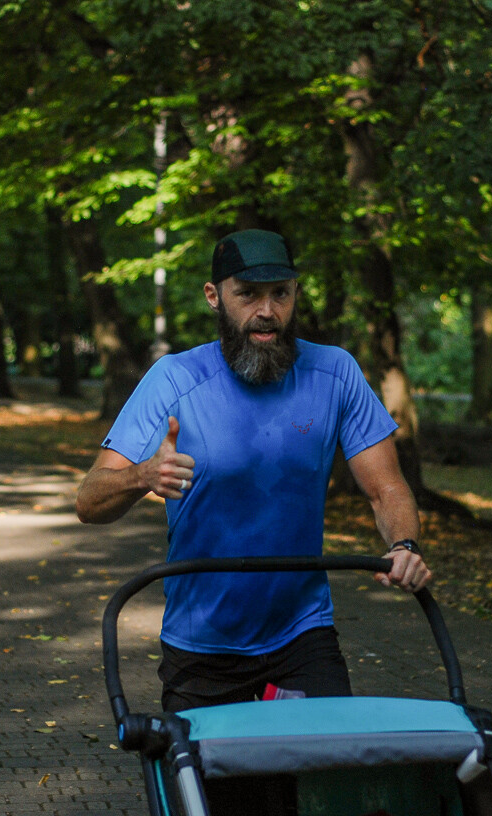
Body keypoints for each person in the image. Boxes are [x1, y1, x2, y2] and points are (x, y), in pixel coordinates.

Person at [76, 228, 432, 712]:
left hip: (302, 635)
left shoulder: (336, 373)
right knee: (218, 787)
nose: (266, 310)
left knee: (326, 776)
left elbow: (387, 488)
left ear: (295, 294)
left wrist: (404, 546)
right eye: (247, 294)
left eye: (279, 293)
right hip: (202, 645)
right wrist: (141, 476)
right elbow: (89, 500)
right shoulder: (174, 379)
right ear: (214, 296)